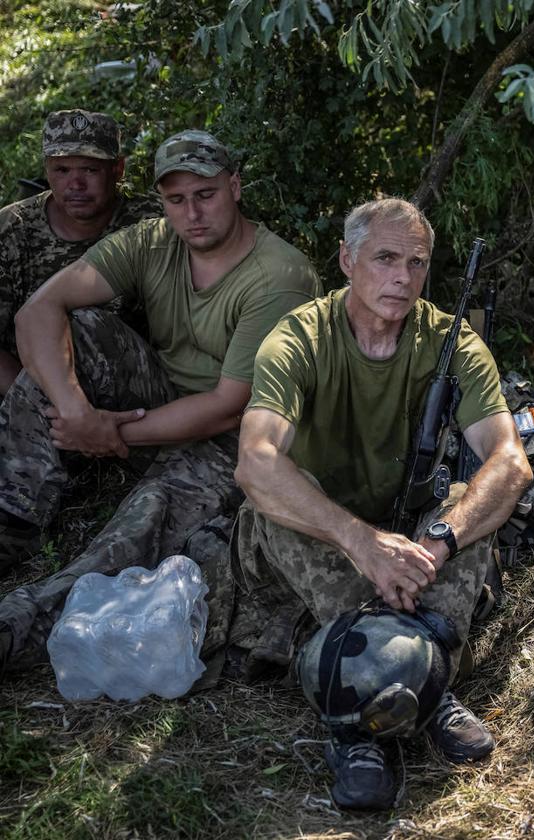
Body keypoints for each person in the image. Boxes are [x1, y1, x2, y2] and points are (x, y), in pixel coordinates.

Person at [231, 197, 532, 810]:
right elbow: (256, 461)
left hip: (409, 530)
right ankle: (403, 694)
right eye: (385, 258)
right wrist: (361, 542)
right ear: (347, 259)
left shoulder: (452, 342)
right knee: (283, 498)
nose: (402, 276)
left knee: (467, 505)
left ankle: (392, 677)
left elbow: (509, 462)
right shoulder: (298, 338)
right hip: (326, 526)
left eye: (417, 263)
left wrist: (437, 540)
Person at [0, 129, 321, 667]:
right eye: (176, 199)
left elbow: (228, 404)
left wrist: (109, 433)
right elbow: (37, 310)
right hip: (159, 402)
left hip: (235, 441)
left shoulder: (280, 275)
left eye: (206, 195)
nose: (192, 213)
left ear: (235, 187)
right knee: (78, 332)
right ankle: (13, 519)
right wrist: (76, 411)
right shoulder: (152, 241)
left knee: (143, 522)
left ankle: (23, 626)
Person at [0, 109, 161, 394]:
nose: (75, 185)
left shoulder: (153, 223)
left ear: (118, 169)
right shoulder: (11, 229)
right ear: (47, 169)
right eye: (62, 170)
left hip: (135, 390)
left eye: (89, 170)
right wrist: (42, 406)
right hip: (32, 389)